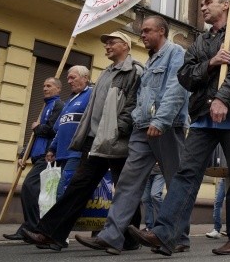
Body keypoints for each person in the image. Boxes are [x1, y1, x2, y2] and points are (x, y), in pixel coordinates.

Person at [127, 0, 230, 256]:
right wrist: (211, 63)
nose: (202, 7)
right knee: (186, 174)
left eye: (208, 2)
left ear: (225, 5)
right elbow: (186, 77)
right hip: (201, 116)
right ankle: (165, 233)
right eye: (201, 2)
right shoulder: (200, 42)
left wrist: (223, 98)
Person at [73, 16, 190, 255]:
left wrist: (161, 120)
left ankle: (179, 236)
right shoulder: (149, 61)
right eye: (141, 32)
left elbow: (176, 90)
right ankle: (111, 236)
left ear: (161, 31)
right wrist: (138, 117)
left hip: (166, 127)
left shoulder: (175, 53)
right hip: (142, 128)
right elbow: (142, 95)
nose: (142, 35)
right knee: (127, 182)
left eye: (147, 31)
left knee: (174, 182)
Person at [22, 31, 144, 251]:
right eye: (105, 43)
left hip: (117, 139)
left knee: (124, 188)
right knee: (78, 186)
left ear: (125, 45)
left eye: (111, 43)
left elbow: (134, 104)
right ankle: (51, 233)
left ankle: (130, 237)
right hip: (94, 141)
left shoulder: (134, 71)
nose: (106, 46)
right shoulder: (106, 73)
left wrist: (119, 129)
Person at [3, 77, 63, 241]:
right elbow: (34, 137)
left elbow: (52, 131)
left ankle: (32, 227)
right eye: (43, 85)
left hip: (47, 157)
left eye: (49, 86)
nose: (44, 88)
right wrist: (24, 155)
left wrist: (38, 127)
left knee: (30, 187)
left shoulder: (58, 106)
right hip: (37, 157)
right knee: (37, 193)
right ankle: (34, 228)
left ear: (58, 89)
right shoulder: (45, 106)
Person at [48, 66, 92, 197]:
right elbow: (60, 127)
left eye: (73, 77)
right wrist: (52, 149)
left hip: (77, 153)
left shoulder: (92, 94)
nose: (69, 81)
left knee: (63, 191)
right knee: (63, 192)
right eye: (68, 78)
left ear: (85, 78)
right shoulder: (69, 100)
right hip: (63, 154)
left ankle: (62, 218)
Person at [142, 163, 165, 230]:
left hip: (159, 171)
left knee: (155, 195)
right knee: (145, 199)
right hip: (146, 172)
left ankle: (163, 224)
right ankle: (149, 226)